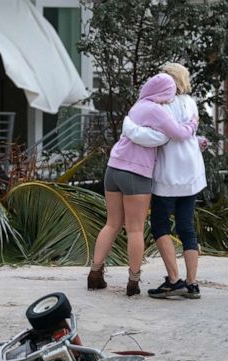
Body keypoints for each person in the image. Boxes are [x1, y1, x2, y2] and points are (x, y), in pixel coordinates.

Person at [87, 73, 197, 296]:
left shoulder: (138, 106)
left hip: (113, 168)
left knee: (112, 224)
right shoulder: (158, 110)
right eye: (170, 93)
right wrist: (193, 124)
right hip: (136, 174)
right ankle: (133, 282)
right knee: (135, 229)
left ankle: (95, 274)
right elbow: (177, 133)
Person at [121, 63, 208, 299]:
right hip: (191, 172)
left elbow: (157, 137)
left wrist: (128, 126)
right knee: (187, 226)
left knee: (160, 225)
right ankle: (192, 283)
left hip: (167, 174)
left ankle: (173, 279)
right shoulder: (191, 103)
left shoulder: (158, 105)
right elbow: (186, 133)